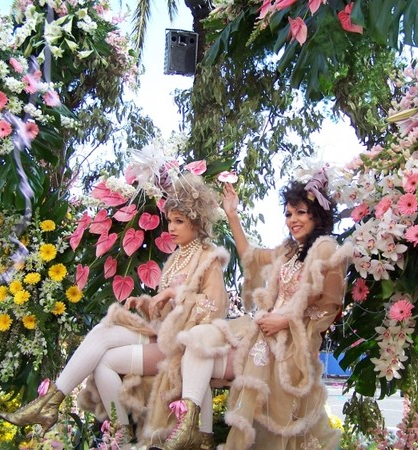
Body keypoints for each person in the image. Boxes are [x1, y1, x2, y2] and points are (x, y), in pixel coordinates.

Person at [0, 174, 230, 448]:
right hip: (163, 334)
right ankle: (76, 413)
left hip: (183, 345)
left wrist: (175, 294)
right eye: (170, 220)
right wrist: (147, 303)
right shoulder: (177, 257)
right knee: (103, 335)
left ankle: (109, 433)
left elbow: (216, 308)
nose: (171, 228)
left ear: (197, 221)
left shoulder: (208, 256)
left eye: (179, 221)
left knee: (105, 361)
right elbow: (166, 310)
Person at [148, 173, 349, 450]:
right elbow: (251, 256)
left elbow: (328, 306)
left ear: (318, 214)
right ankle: (192, 430)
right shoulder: (290, 251)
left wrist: (284, 321)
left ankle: (199, 433)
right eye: (289, 214)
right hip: (261, 332)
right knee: (197, 343)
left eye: (301, 212)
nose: (293, 220)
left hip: (291, 344)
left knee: (276, 420)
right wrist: (232, 215)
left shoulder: (327, 249)